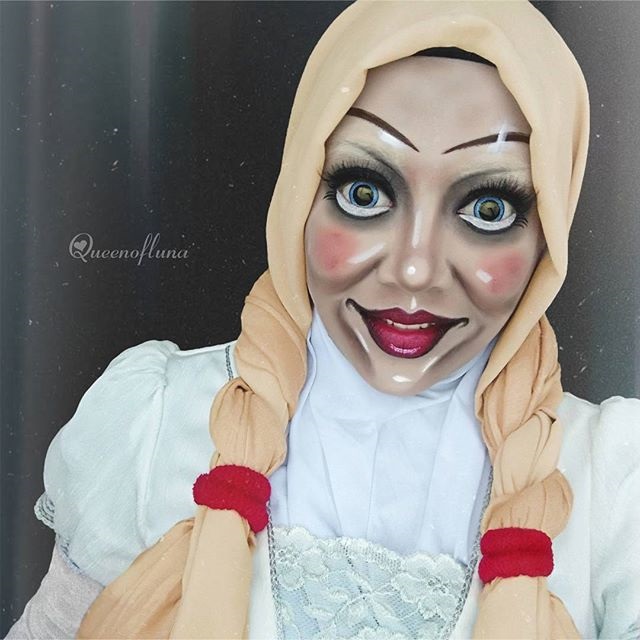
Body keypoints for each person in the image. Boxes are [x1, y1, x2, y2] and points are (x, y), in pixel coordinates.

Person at [7, 0, 640, 638]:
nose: (414, 269)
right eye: (365, 193)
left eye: (489, 209)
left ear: (548, 237)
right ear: (299, 199)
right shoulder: (153, 426)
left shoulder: (614, 488)